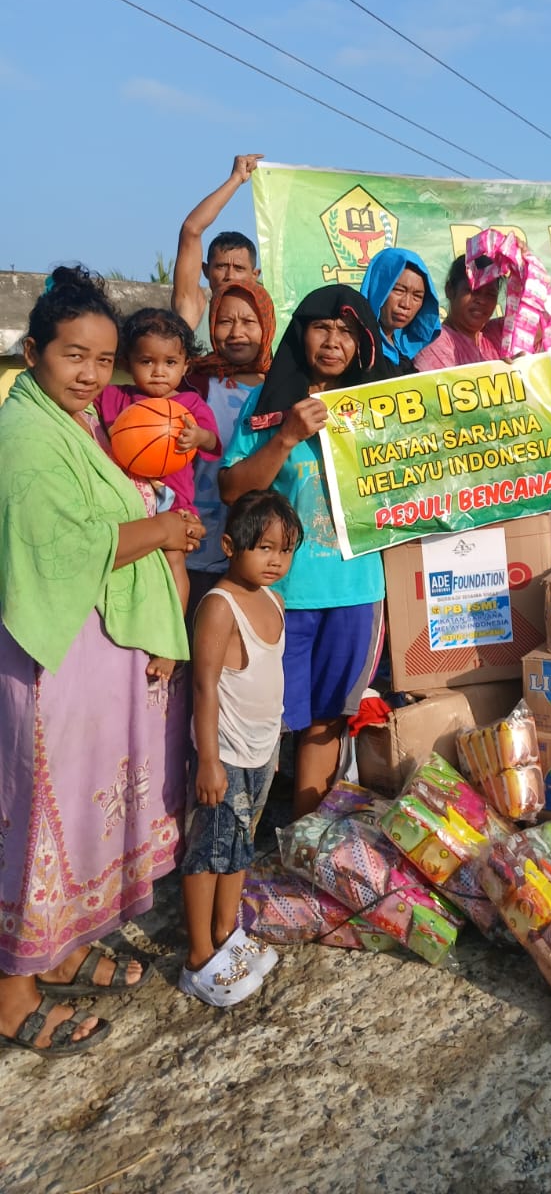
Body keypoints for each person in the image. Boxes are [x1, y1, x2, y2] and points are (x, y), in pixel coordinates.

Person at [0, 267, 200, 1056]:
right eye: (72, 355)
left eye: (102, 359)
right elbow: (61, 548)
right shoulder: (23, 437)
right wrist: (167, 532)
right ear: (33, 349)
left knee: (80, 812)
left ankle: (62, 949)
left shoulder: (76, 421)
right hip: (46, 658)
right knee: (34, 820)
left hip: (91, 649)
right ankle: (12, 988)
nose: (89, 374)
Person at [220, 286, 385, 817]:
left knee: (326, 722)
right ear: (301, 335)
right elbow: (232, 490)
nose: (333, 342)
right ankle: (237, 840)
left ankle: (301, 841)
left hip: (357, 590)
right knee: (266, 720)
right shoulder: (268, 404)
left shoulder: (387, 408)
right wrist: (286, 436)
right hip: (282, 593)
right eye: (322, 328)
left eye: (347, 332)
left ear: (363, 344)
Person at [180, 489, 301, 1007]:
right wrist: (209, 761)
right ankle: (198, 955)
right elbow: (204, 686)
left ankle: (228, 933)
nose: (275, 559)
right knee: (207, 852)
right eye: (264, 548)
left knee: (240, 847)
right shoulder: (219, 606)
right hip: (225, 753)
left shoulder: (273, 599)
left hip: (262, 749)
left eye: (285, 549)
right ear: (230, 545)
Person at [96, 308, 222, 664]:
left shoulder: (191, 404)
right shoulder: (114, 398)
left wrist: (199, 435)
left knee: (174, 565)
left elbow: (215, 444)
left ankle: (170, 643)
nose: (159, 371)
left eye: (170, 362)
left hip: (174, 503)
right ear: (127, 362)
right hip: (129, 505)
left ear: (186, 367)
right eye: (147, 361)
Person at [185, 281, 276, 619]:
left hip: (254, 552)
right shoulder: (194, 381)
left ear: (266, 326)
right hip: (192, 546)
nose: (237, 332)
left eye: (249, 322)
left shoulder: (281, 385)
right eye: (225, 321)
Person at [172, 153, 264, 333]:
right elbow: (191, 230)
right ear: (205, 270)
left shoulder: (266, 320)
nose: (229, 275)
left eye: (239, 268)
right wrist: (236, 179)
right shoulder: (195, 310)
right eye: (221, 267)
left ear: (255, 274)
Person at [414, 255, 504, 371]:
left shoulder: (497, 334)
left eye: (490, 294)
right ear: (450, 290)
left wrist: (525, 263)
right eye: (473, 291)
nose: (481, 300)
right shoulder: (435, 346)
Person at [361, 247, 441, 369]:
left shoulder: (406, 352)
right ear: (377, 288)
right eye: (398, 290)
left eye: (417, 296)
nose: (406, 304)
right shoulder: (356, 346)